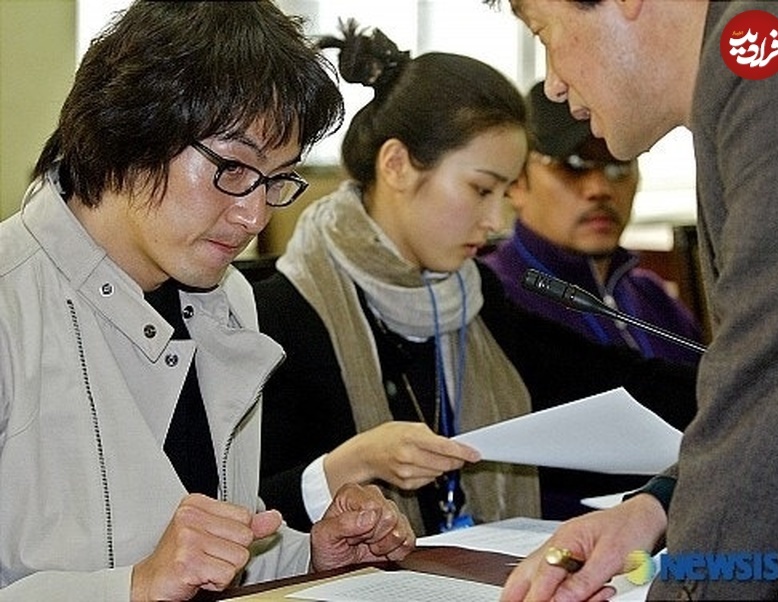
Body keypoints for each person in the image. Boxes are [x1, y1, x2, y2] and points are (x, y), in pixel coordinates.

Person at [0, 3, 417, 600]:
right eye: (234, 168)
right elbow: (156, 571)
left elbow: (212, 551)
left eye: (276, 179)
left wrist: (309, 558)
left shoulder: (226, 299)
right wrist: (135, 586)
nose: (255, 215)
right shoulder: (12, 302)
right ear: (130, 129)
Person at [254, 20, 698, 538]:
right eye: (481, 190)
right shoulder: (278, 316)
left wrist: (743, 382)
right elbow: (240, 508)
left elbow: (614, 381)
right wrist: (346, 465)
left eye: (504, 193)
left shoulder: (475, 297)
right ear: (396, 166)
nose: (494, 221)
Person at [479, 1, 778, 600]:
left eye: (543, 31)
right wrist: (656, 508)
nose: (553, 81)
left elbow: (774, 378)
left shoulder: (771, 70)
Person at [482, 80, 703, 366]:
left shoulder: (655, 301)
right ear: (516, 182)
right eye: (573, 165)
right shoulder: (490, 301)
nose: (599, 188)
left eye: (619, 165)